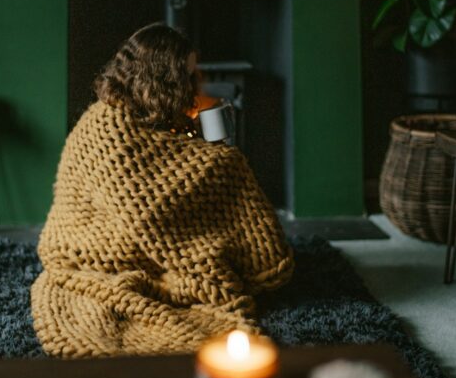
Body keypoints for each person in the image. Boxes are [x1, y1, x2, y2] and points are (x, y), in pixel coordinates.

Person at [31, 23, 293, 358]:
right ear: (164, 81)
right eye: (191, 75)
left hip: (117, 235)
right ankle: (249, 254)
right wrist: (221, 153)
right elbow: (147, 205)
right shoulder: (110, 133)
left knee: (221, 164)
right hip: (101, 245)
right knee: (227, 166)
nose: (198, 82)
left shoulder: (125, 115)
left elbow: (166, 162)